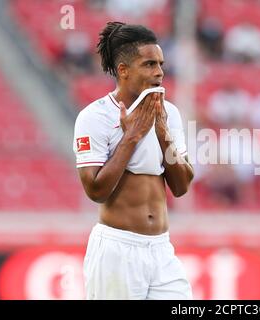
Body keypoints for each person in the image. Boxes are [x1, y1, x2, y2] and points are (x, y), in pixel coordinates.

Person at [72, 22, 194, 300]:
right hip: (118, 250)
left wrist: (162, 132)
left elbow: (181, 185)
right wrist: (132, 138)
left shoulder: (170, 114)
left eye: (161, 64)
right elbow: (96, 191)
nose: (159, 72)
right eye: (149, 64)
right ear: (124, 70)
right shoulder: (95, 117)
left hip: (161, 249)